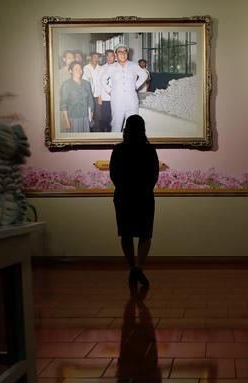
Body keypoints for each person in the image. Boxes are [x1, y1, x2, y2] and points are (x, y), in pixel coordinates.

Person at [109, 115, 159, 286]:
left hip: (123, 196)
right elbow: (154, 176)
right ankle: (139, 268)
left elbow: (113, 175)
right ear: (143, 129)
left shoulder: (118, 150)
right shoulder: (149, 150)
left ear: (126, 129)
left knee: (126, 233)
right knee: (145, 234)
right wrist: (144, 188)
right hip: (144, 196)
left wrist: (125, 187)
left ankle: (132, 268)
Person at [103, 44, 148, 132]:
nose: (123, 54)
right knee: (116, 125)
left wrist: (135, 86)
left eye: (125, 52)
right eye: (120, 52)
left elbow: (144, 75)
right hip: (117, 102)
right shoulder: (111, 67)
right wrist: (109, 90)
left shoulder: (134, 66)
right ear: (116, 54)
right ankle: (115, 144)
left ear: (127, 54)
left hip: (132, 101)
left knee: (133, 126)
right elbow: (102, 80)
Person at [59, 61, 94, 132]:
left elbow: (90, 101)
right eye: (76, 69)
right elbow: (63, 104)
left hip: (85, 116)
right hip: (72, 117)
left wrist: (91, 117)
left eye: (80, 69)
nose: (79, 71)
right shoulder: (66, 85)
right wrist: (67, 120)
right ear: (70, 71)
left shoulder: (86, 83)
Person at [97, 49, 116, 132]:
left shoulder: (118, 67)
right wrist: (99, 96)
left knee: (114, 117)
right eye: (107, 56)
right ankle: (103, 133)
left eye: (111, 55)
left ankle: (112, 133)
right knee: (104, 117)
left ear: (114, 57)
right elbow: (98, 83)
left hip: (116, 97)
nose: (109, 58)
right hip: (105, 97)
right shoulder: (101, 68)